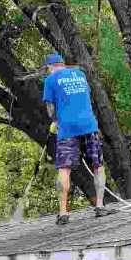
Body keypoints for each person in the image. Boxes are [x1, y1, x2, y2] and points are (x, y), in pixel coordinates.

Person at [42, 52, 111, 225]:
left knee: (64, 169)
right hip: (89, 125)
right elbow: (85, 98)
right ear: (62, 64)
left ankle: (63, 213)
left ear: (50, 67)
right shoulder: (80, 75)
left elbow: (50, 109)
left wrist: (55, 122)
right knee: (98, 165)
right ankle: (100, 207)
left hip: (67, 128)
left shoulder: (50, 80)